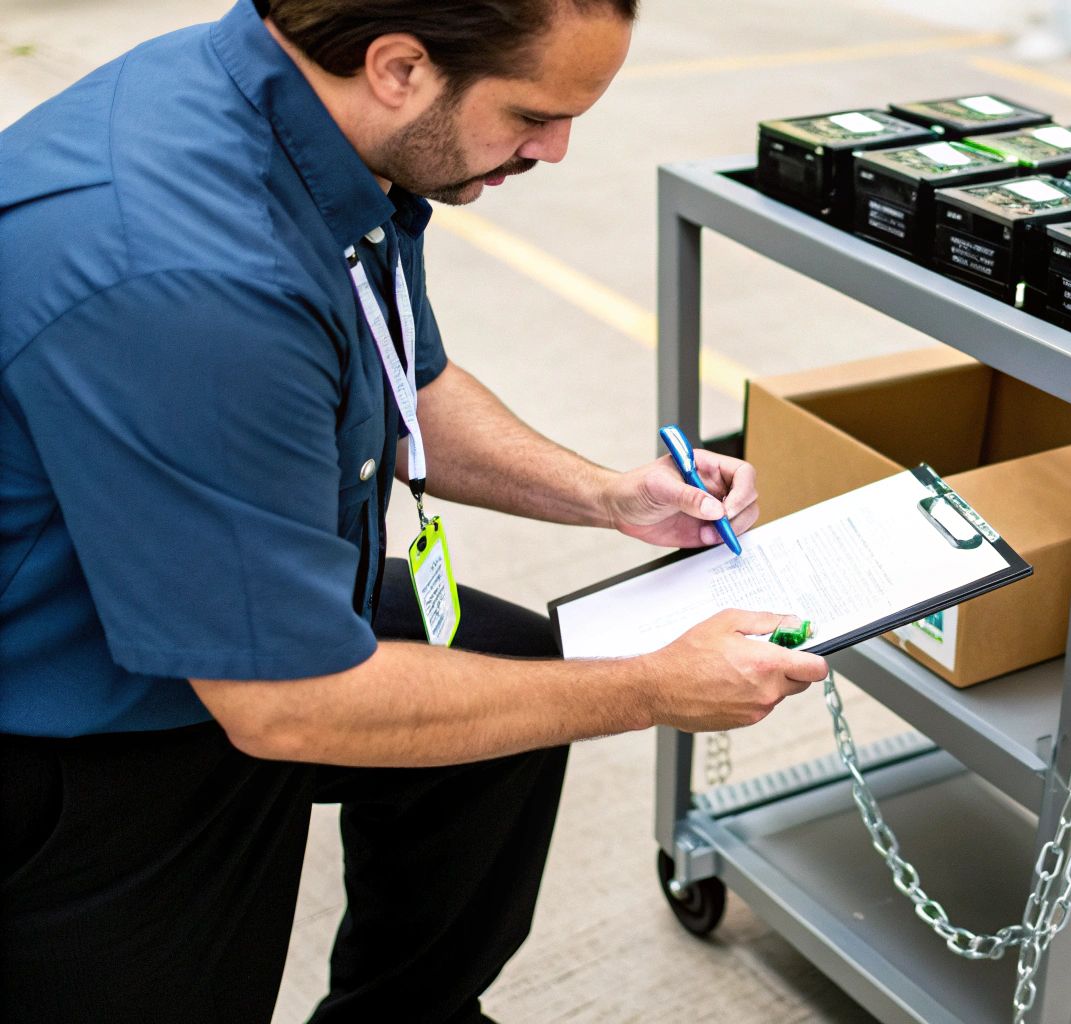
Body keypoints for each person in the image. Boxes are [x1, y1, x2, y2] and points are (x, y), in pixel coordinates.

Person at [0, 0, 828, 1019]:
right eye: (533, 113)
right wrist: (653, 686)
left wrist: (606, 494)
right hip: (90, 710)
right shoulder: (196, 276)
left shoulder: (317, 126)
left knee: (513, 681)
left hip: (244, 585)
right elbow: (286, 704)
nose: (558, 149)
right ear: (399, 65)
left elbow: (406, 382)